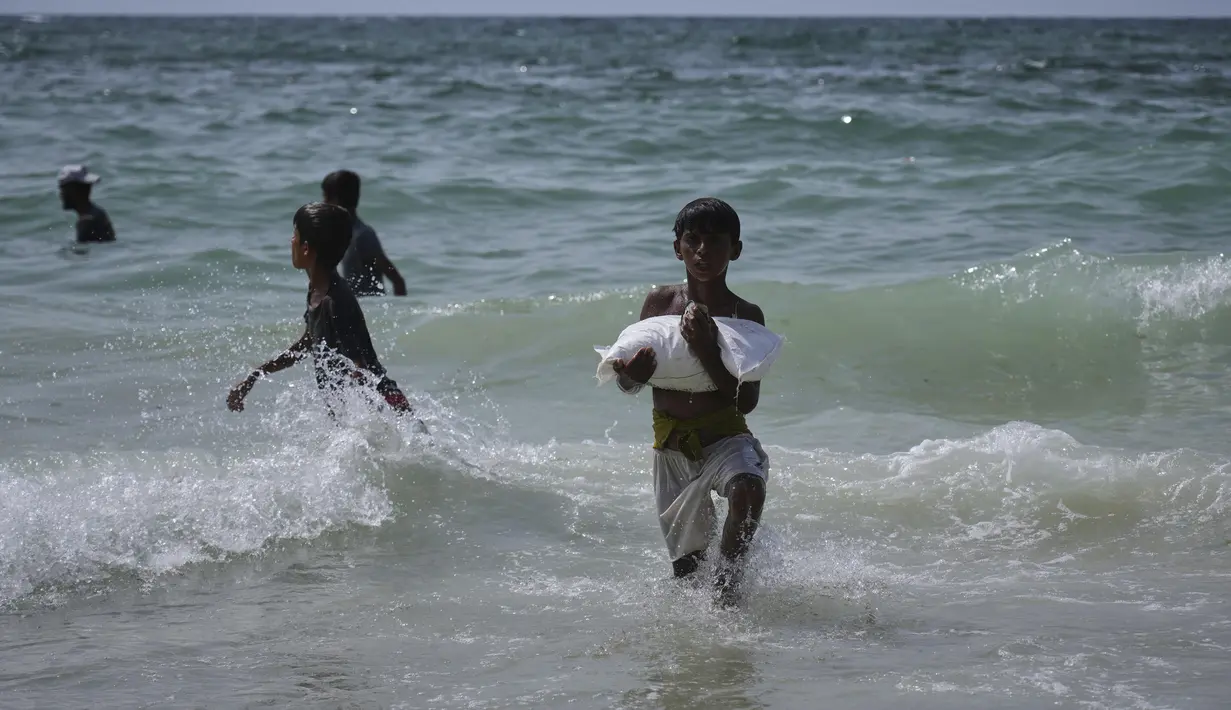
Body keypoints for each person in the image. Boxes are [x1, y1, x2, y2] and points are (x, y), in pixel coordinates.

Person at [610, 197, 769, 606]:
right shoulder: (660, 304)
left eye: (715, 242)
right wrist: (633, 376)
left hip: (725, 437)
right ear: (676, 246)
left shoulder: (745, 314)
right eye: (692, 240)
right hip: (673, 449)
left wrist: (707, 350)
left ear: (735, 249)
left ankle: (729, 588)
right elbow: (626, 385)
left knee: (748, 489)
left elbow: (746, 401)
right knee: (687, 574)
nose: (702, 252)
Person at [226, 202, 416, 420]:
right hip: (362, 414)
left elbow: (359, 365)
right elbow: (305, 345)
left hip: (384, 409)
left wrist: (370, 420)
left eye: (294, 235)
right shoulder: (317, 291)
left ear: (306, 248)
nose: (291, 241)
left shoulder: (333, 301)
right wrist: (255, 375)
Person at [320, 170, 408, 297]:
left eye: (326, 198)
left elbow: (397, 281)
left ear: (337, 199)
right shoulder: (341, 236)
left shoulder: (362, 236)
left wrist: (398, 314)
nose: (323, 203)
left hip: (368, 312)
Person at [58, 165, 115, 243]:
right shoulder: (98, 213)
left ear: (73, 191)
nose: (61, 195)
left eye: (63, 189)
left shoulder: (87, 221)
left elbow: (81, 252)